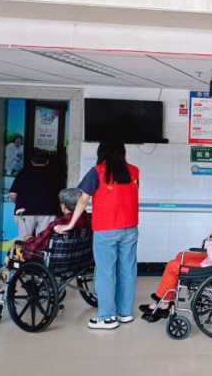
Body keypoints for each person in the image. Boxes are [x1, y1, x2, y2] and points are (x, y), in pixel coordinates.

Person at [56, 140, 139, 330]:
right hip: (130, 228)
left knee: (105, 272)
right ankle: (125, 313)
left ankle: (107, 317)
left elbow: (83, 200)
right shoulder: (134, 171)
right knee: (127, 270)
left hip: (106, 229)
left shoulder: (97, 171)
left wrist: (70, 224)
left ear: (101, 152)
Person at [140, 196, 212, 322]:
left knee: (173, 265)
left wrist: (211, 242)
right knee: (182, 255)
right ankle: (168, 297)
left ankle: (163, 303)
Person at [9, 154, 66, 241]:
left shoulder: (23, 173)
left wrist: (19, 203)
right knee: (43, 240)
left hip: (25, 210)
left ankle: (25, 250)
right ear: (47, 162)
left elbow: (12, 194)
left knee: (24, 239)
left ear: (32, 162)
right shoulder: (54, 174)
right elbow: (61, 193)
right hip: (48, 210)